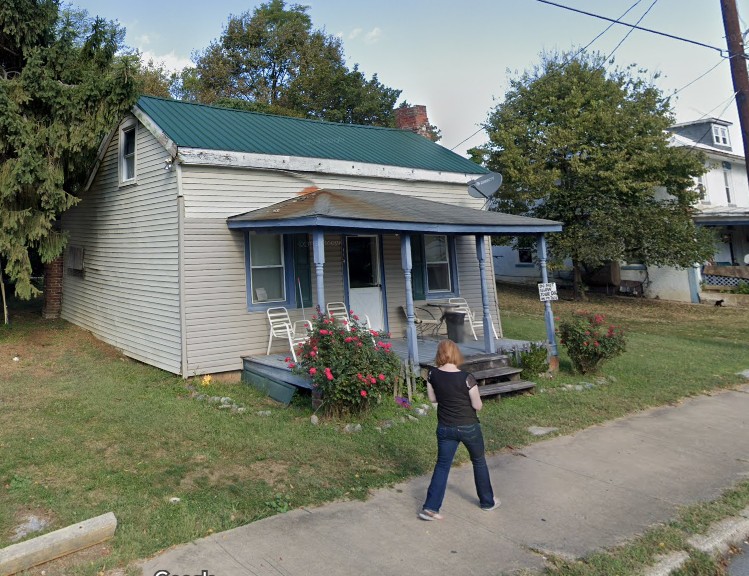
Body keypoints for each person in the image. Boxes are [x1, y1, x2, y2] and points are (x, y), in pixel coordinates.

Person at [419, 339, 500, 521]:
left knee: (442, 465)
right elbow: (477, 406)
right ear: (456, 354)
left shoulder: (432, 375)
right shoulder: (467, 377)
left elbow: (433, 399)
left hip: (445, 428)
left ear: (439, 355)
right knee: (478, 461)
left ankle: (431, 508)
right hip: (469, 427)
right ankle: (487, 502)